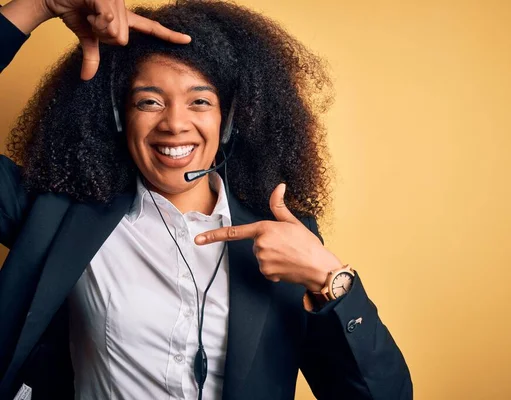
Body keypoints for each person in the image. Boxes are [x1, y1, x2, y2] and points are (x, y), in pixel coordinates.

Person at [0, 0, 412, 398]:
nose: (175, 123)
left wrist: (329, 279)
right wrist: (35, 5)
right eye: (149, 101)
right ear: (117, 116)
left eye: (200, 101)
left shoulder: (285, 238)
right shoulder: (59, 215)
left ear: (230, 120)